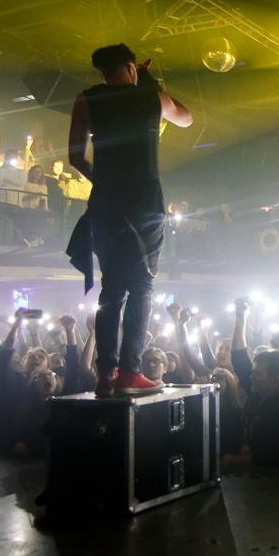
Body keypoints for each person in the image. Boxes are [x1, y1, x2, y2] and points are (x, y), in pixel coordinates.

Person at [67, 43, 192, 395]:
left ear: (103, 72)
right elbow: (186, 117)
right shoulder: (152, 98)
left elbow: (76, 158)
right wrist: (150, 83)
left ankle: (106, 374)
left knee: (112, 288)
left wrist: (105, 183)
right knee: (142, 288)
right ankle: (129, 373)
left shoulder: (85, 99)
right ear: (133, 68)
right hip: (145, 203)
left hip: (106, 203)